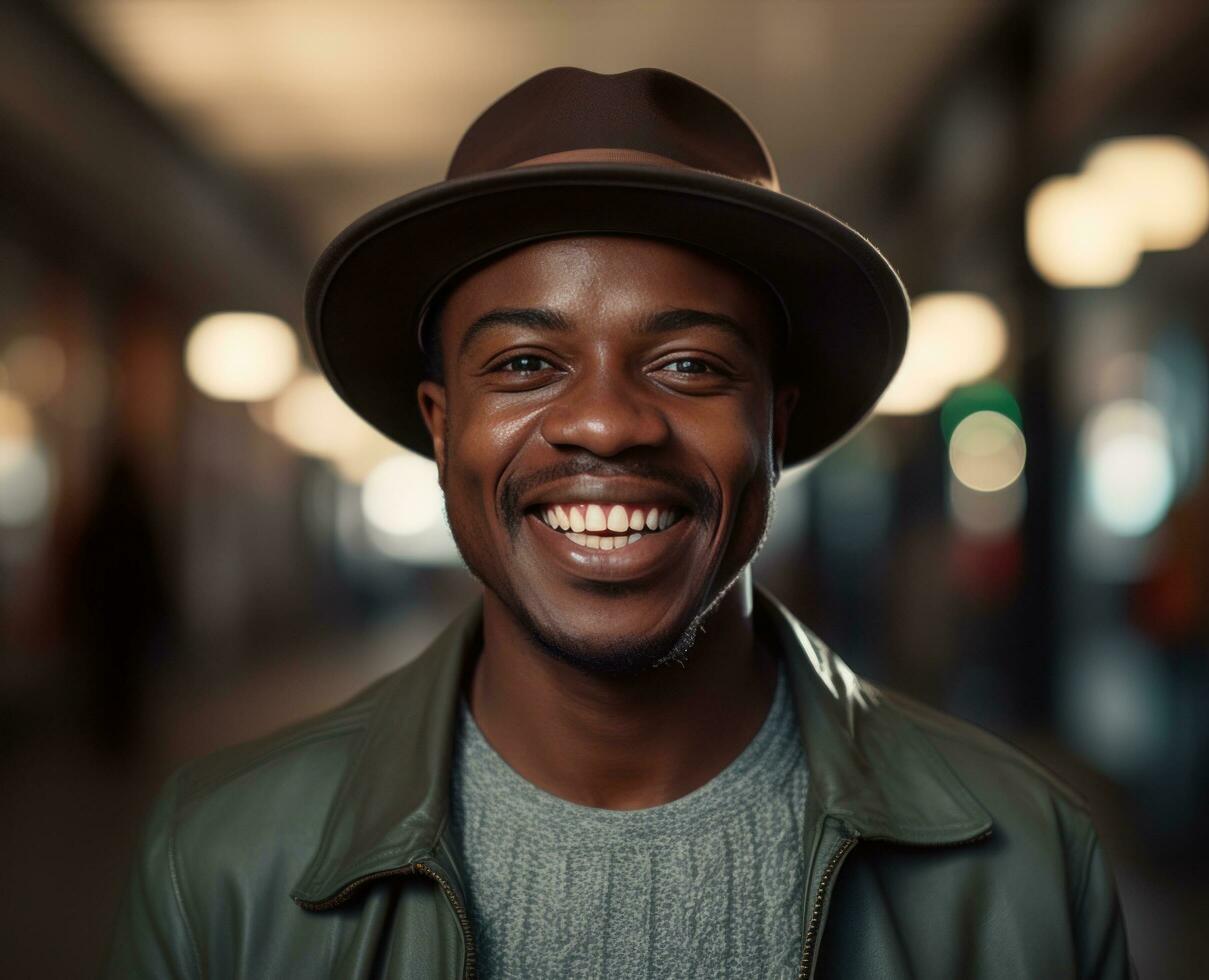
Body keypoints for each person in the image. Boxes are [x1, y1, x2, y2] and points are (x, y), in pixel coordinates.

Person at [105, 67, 1135, 979]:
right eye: (524, 364)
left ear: (776, 428)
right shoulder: (220, 863)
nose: (606, 420)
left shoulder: (1027, 859)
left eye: (689, 363)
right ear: (440, 424)